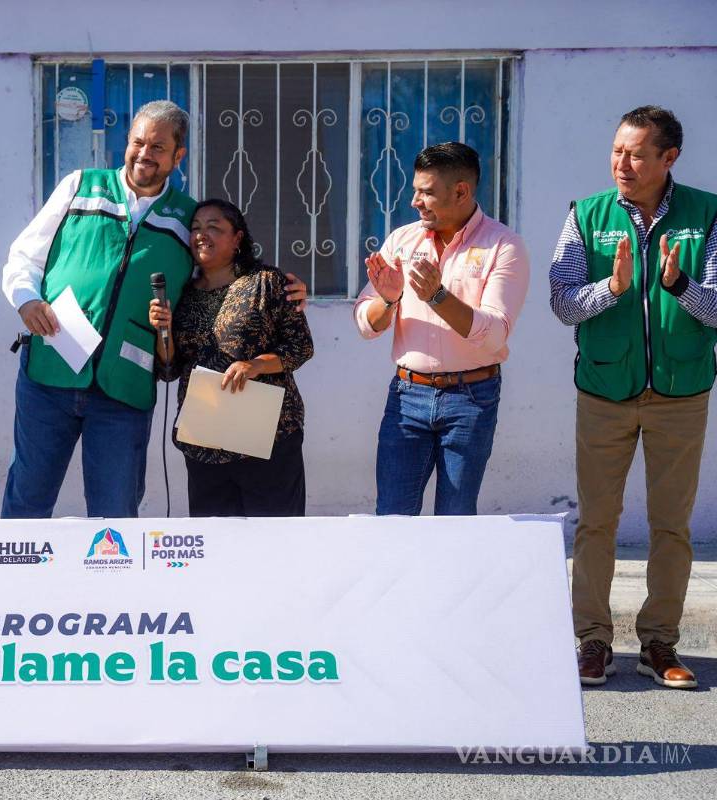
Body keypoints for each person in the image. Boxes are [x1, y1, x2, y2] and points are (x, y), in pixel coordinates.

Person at [0, 99, 308, 519]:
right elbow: (24, 256)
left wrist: (282, 288)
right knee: (28, 496)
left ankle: (115, 586)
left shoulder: (187, 218)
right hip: (50, 373)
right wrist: (26, 298)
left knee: (116, 510)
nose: (144, 153)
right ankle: (15, 583)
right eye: (138, 142)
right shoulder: (80, 187)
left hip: (123, 387)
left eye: (158, 147)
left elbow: (221, 272)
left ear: (178, 156)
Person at [551, 106, 715, 690]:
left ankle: (659, 644)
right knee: (597, 521)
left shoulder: (708, 213)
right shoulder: (586, 215)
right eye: (618, 150)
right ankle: (593, 642)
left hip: (681, 391)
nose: (623, 162)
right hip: (604, 388)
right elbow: (563, 302)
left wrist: (679, 286)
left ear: (669, 158)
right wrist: (612, 288)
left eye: (637, 153)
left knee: (671, 525)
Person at [353, 142, 530, 516]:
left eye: (426, 192)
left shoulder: (504, 245)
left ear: (461, 191)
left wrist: (437, 296)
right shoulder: (402, 240)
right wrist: (387, 300)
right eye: (415, 190)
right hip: (406, 395)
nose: (415, 201)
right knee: (393, 517)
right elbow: (366, 325)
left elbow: (495, 332)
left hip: (471, 398)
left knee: (456, 521)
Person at [148, 199, 312, 516]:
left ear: (237, 238)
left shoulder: (266, 282)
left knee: (276, 538)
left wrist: (255, 366)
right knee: (216, 548)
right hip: (205, 439)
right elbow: (169, 369)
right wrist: (161, 330)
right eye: (195, 228)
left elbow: (300, 347)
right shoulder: (182, 294)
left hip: (267, 436)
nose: (201, 235)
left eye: (214, 227)